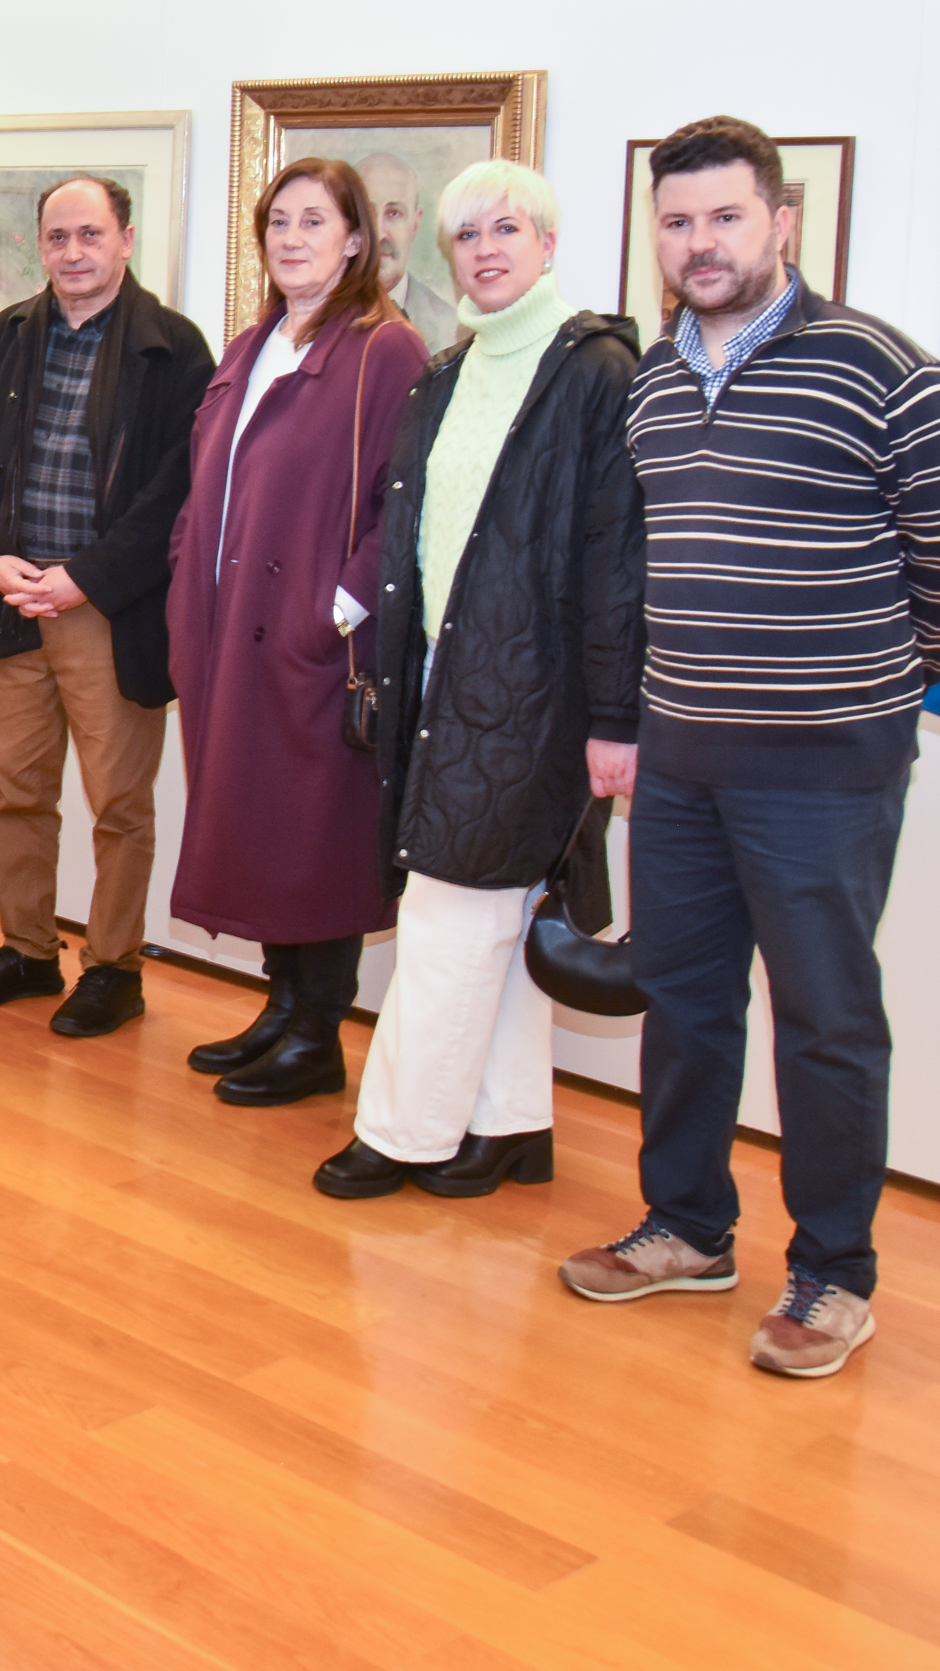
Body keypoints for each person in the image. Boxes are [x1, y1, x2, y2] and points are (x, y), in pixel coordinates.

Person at [561, 116, 940, 1380]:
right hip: (684, 753)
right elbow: (649, 565)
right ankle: (687, 1226)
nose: (699, 243)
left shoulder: (875, 366)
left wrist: (862, 684)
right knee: (684, 1001)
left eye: (724, 217)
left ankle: (831, 1273)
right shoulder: (648, 377)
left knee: (823, 1018)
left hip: (824, 763)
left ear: (781, 223)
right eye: (677, 220)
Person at [318, 162, 643, 1200]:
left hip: (534, 693)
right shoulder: (446, 374)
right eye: (465, 234)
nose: (486, 247)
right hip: (436, 680)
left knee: (448, 912)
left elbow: (617, 558)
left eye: (508, 227)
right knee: (493, 908)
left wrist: (613, 715)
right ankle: (511, 1125)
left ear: (547, 243)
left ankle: (403, 1132)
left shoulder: (593, 373)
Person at [163, 158, 430, 1104]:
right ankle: (280, 1008)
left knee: (316, 831)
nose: (292, 237)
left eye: (315, 221)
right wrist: (185, 569)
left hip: (313, 639)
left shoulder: (383, 348)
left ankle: (318, 1033)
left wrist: (343, 603)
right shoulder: (255, 341)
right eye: (278, 220)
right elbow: (211, 478)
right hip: (229, 627)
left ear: (357, 238)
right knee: (256, 818)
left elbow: (407, 497)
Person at [0, 176, 213, 1037]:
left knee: (118, 804)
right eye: (57, 237)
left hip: (106, 605)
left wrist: (87, 575)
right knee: (18, 792)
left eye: (90, 234)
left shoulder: (173, 348)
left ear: (126, 239)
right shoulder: (9, 335)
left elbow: (178, 490)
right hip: (16, 598)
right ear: (41, 247)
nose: (72, 252)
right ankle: (27, 950)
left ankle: (114, 967)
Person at [359, 151, 463, 349]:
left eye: (394, 213)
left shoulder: (450, 328)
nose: (380, 233)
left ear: (415, 223)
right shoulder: (315, 317)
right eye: (367, 213)